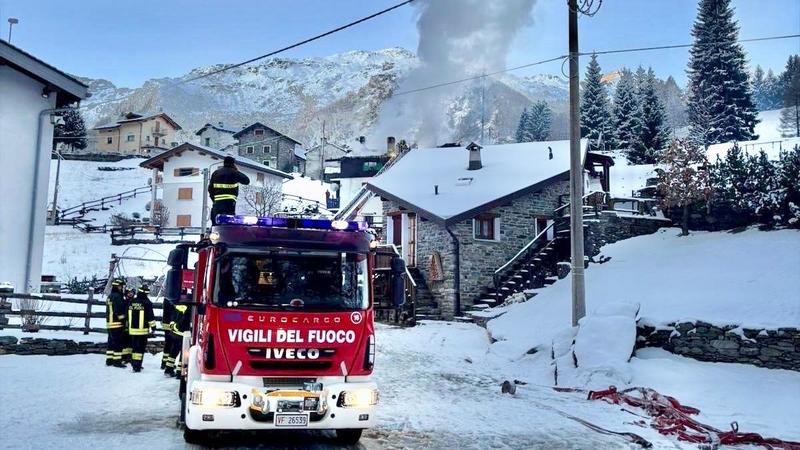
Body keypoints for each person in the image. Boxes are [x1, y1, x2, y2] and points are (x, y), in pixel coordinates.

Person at [208, 156, 250, 225]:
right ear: (233, 164)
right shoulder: (234, 172)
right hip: (229, 203)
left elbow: (210, 189)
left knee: (216, 224)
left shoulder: (215, 173)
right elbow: (246, 181)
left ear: (224, 163)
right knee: (228, 223)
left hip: (217, 203)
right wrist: (236, 170)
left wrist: (215, 200)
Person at [127, 285, 156, 373]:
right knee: (140, 349)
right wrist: (153, 327)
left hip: (132, 330)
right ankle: (137, 366)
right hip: (142, 331)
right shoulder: (147, 302)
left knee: (135, 347)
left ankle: (134, 363)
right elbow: (150, 316)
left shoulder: (132, 301)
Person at [105, 279, 127, 367]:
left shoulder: (110, 296)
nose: (122, 288)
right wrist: (124, 319)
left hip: (109, 323)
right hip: (117, 324)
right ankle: (117, 361)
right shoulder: (118, 297)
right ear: (117, 286)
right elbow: (119, 311)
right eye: (121, 286)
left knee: (111, 343)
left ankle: (109, 360)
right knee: (118, 343)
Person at [169, 303, 191, 378]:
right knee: (183, 354)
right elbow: (185, 322)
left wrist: (173, 327)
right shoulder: (189, 308)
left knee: (173, 352)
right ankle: (179, 373)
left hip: (175, 334)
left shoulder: (178, 306)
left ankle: (168, 369)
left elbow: (172, 318)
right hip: (183, 334)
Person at [160, 294, 175, 371]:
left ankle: (164, 362)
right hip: (170, 325)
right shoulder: (172, 300)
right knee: (171, 344)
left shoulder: (167, 299)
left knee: (168, 344)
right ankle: (166, 363)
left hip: (167, 324)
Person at [121, 287, 135, 364]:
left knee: (131, 340)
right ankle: (124, 357)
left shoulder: (134, 302)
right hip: (125, 323)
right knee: (125, 340)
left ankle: (129, 356)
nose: (130, 294)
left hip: (133, 324)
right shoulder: (124, 302)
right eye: (129, 292)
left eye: (132, 292)